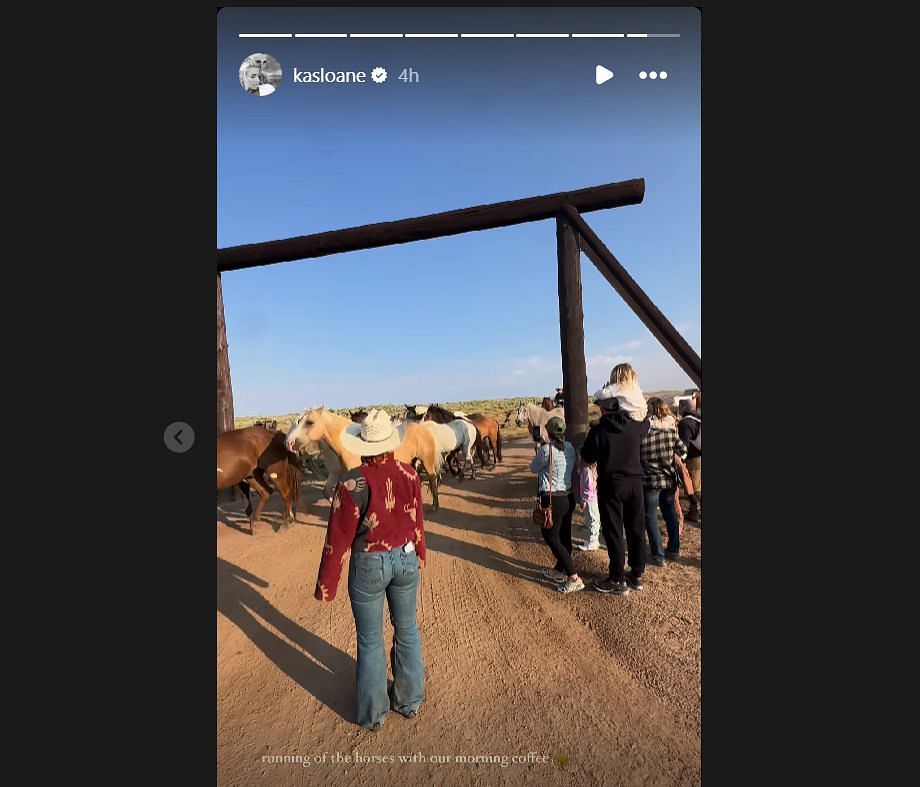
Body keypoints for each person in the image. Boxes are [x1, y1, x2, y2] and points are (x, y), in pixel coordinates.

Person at [313, 409, 426, 731]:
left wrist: (327, 583)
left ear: (363, 444)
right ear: (391, 442)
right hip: (405, 561)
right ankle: (409, 700)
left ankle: (374, 713)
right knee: (407, 629)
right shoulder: (409, 474)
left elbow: (338, 537)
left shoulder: (352, 483)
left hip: (368, 566)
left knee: (370, 639)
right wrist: (420, 551)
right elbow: (417, 519)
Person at [580, 396, 650, 595]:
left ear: (603, 410)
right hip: (636, 484)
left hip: (611, 485)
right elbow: (647, 424)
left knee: (614, 531)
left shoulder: (598, 431)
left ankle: (617, 578)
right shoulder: (635, 427)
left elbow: (587, 457)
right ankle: (636, 575)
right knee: (636, 529)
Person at [530, 416, 582, 593]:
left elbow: (534, 468)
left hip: (551, 499)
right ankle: (558, 571)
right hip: (568, 497)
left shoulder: (545, 450)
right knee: (564, 537)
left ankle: (574, 577)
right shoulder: (570, 448)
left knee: (551, 537)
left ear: (549, 432)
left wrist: (540, 447)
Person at [640, 398, 687, 564]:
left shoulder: (643, 432)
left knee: (650, 515)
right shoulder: (671, 431)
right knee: (669, 513)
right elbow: (683, 450)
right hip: (669, 479)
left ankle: (658, 554)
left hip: (650, 481)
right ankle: (674, 549)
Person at [678, 397, 702, 522]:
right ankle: (693, 512)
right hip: (699, 456)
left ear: (684, 408)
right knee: (696, 485)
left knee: (694, 488)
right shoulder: (698, 419)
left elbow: (684, 444)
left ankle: (695, 512)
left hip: (692, 458)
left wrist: (680, 459)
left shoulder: (684, 423)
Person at [575, 457, 601, 551]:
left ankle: (593, 541)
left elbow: (588, 487)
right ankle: (594, 540)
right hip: (593, 498)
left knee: (592, 519)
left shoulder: (586, 470)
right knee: (593, 519)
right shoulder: (590, 469)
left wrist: (584, 500)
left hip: (589, 499)